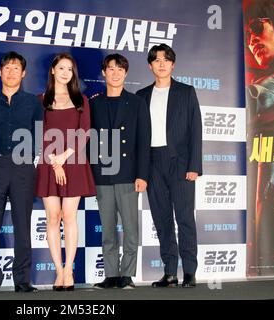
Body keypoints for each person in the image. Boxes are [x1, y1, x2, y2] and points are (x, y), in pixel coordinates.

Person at [136, 44, 202, 288]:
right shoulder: (141, 96)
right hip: (152, 163)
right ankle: (170, 272)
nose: (161, 63)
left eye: (166, 59)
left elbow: (196, 130)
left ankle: (191, 272)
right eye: (156, 60)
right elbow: (138, 137)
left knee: (185, 219)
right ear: (150, 65)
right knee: (162, 220)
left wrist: (194, 165)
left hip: (182, 163)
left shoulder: (186, 92)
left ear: (173, 65)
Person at [0, 51, 43, 293]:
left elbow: (38, 133)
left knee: (22, 225)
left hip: (23, 167)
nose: (11, 72)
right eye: (7, 67)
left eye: (16, 68)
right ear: (0, 72)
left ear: (23, 73)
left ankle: (22, 279)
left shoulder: (32, 103)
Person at [35, 53, 96, 291]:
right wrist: (54, 160)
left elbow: (85, 132)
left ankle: (69, 270)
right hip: (48, 162)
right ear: (52, 70)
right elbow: (37, 131)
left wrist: (63, 157)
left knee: (69, 216)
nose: (65, 72)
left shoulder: (81, 100)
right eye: (61, 68)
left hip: (74, 161)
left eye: (69, 69)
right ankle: (58, 271)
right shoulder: (40, 100)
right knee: (53, 217)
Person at [90, 54, 151, 289]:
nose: (115, 73)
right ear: (103, 72)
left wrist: (142, 174)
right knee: (107, 229)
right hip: (103, 174)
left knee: (130, 228)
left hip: (128, 173)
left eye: (120, 69)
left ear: (126, 73)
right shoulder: (94, 103)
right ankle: (111, 275)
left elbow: (143, 141)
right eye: (111, 69)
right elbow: (89, 140)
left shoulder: (136, 103)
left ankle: (127, 274)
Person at [244, 0, 274, 276]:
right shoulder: (272, 73)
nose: (252, 40)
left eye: (257, 27)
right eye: (248, 37)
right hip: (268, 180)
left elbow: (256, 96)